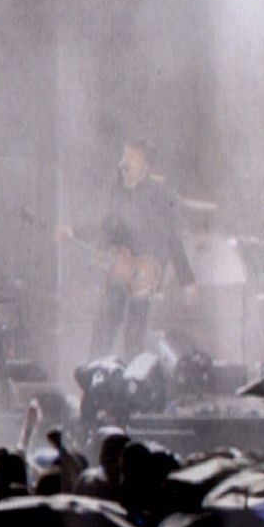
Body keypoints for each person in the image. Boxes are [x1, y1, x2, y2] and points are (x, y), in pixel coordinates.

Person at [69, 138, 192, 361]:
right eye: (124, 157)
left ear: (145, 167)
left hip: (146, 271)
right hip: (122, 269)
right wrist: (75, 232)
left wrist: (187, 280)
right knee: (106, 324)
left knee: (134, 329)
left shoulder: (158, 195)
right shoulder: (118, 193)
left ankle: (133, 375)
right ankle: (97, 372)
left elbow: (172, 238)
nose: (125, 163)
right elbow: (109, 228)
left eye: (132, 158)